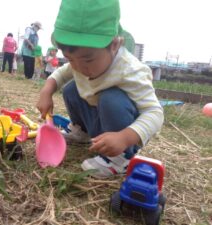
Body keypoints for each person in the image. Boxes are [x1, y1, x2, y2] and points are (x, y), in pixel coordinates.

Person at [36, 0, 164, 179]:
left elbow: (155, 113)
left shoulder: (130, 70)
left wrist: (125, 137)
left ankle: (120, 160)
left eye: (88, 60)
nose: (79, 67)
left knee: (112, 98)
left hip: (122, 133)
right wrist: (46, 91)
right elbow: (61, 73)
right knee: (71, 88)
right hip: (99, 124)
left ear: (114, 45)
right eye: (70, 58)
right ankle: (82, 131)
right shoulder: (79, 62)